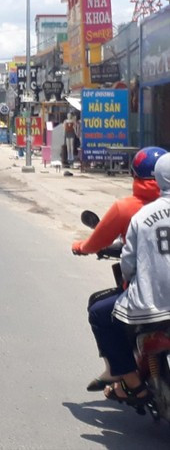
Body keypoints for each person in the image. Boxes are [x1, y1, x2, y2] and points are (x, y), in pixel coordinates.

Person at [73, 146, 165, 391]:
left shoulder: (128, 210)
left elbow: (119, 255)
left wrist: (81, 247)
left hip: (150, 295)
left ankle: (129, 379)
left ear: (134, 175)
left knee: (100, 311)